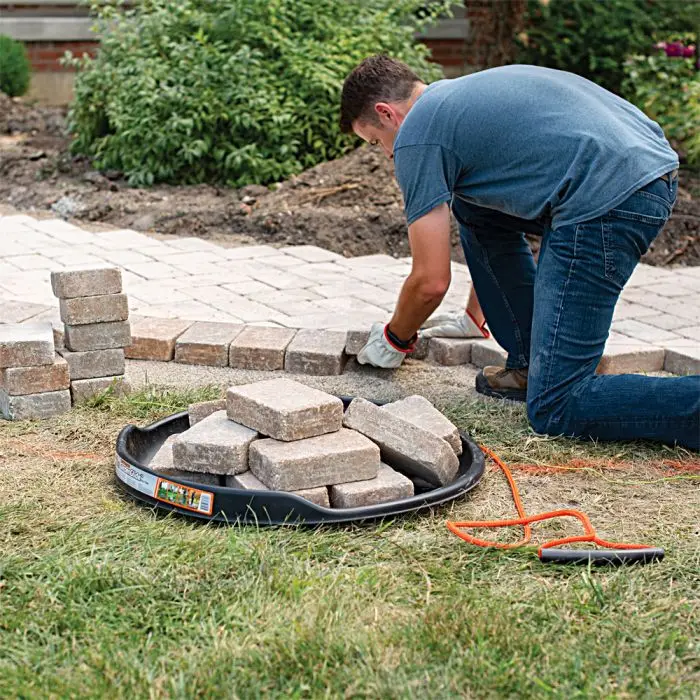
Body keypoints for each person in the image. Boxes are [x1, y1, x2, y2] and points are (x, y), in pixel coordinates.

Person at [340, 55, 699, 450]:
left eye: (376, 142)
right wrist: (474, 316)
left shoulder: (417, 135)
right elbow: (487, 223)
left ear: (386, 113)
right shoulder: (458, 100)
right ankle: (531, 361)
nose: (386, 154)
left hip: (607, 202)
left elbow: (430, 282)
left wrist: (395, 339)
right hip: (648, 172)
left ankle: (558, 380)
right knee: (473, 208)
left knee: (555, 406)